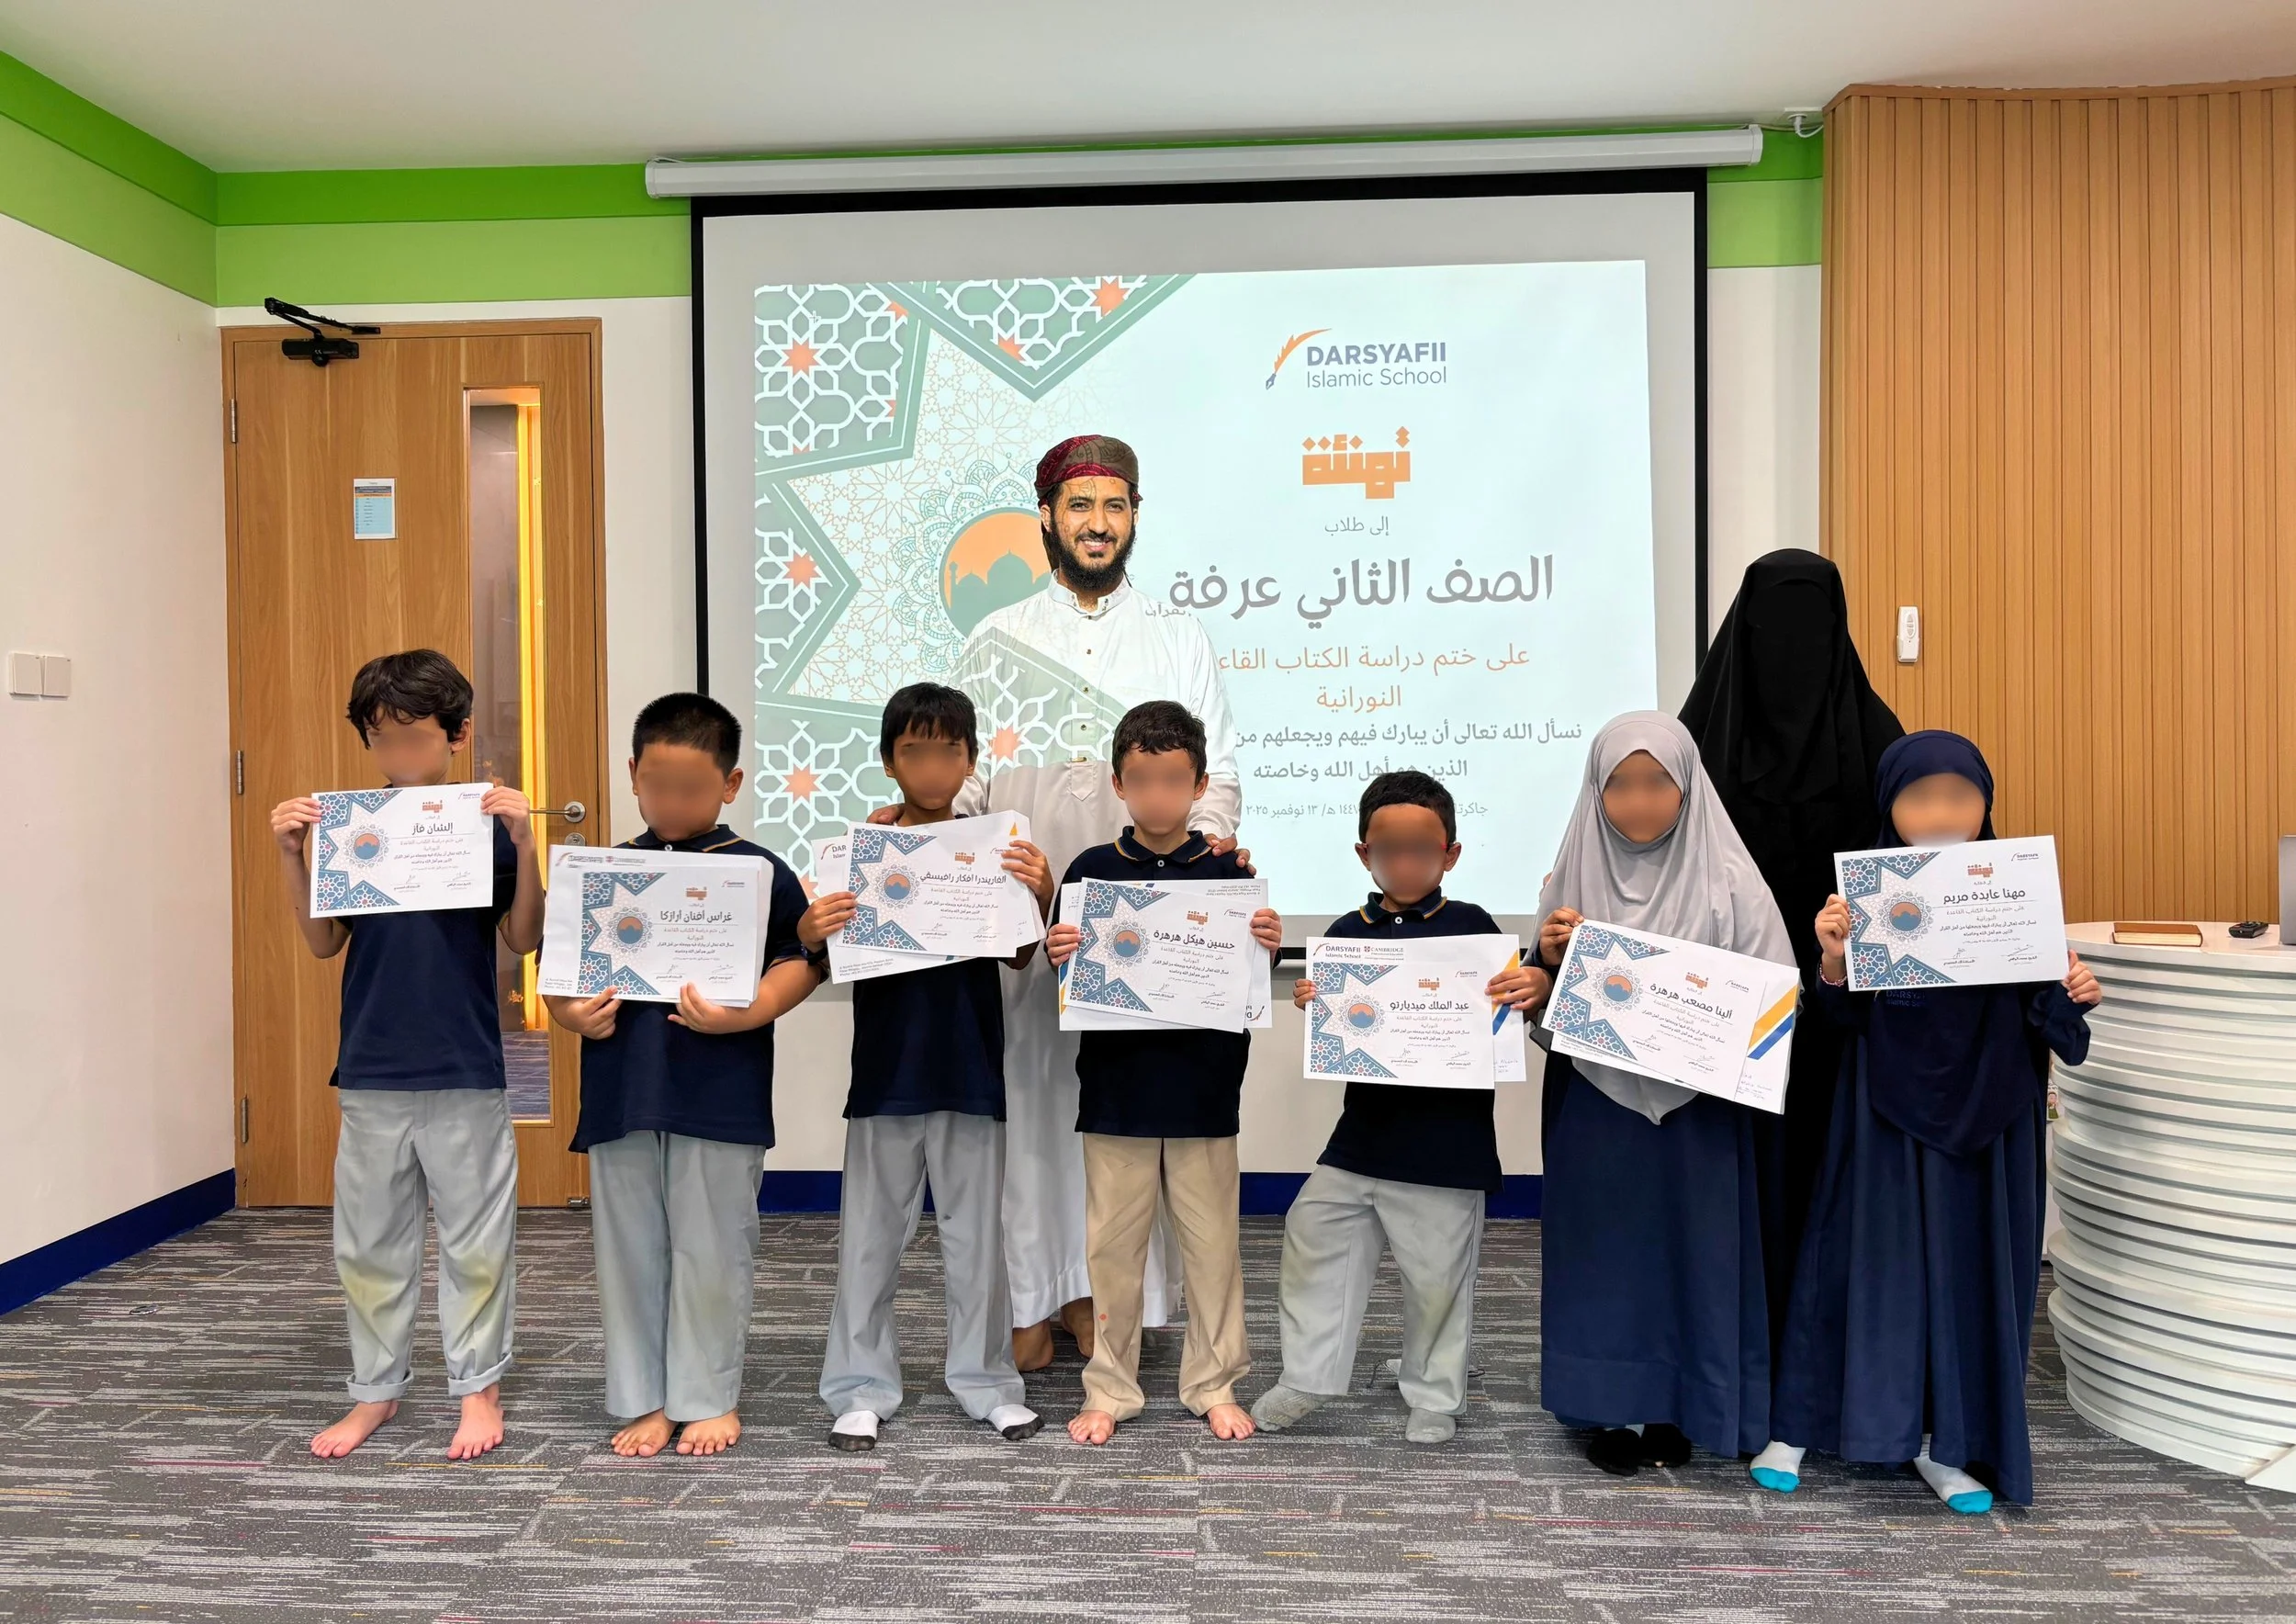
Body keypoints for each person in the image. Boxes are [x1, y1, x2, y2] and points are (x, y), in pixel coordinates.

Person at [946, 434, 1244, 1371]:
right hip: (1027, 921)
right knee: (1033, 1104)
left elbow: (1217, 774)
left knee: (1120, 1108)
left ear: (1135, 517)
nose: (1097, 524)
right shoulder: (993, 641)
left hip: (1143, 921)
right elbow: (968, 783)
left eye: (1115, 506)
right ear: (1047, 516)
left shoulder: (1175, 635)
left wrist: (1215, 848)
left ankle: (1104, 1306)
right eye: (1080, 507)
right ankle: (1034, 1297)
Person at [1751, 731, 2099, 1512]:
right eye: (1920, 797)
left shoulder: (2014, 892)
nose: (1941, 814)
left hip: (1992, 1116)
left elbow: (2053, 1025)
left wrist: (2071, 989)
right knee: (1860, 1262)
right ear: (1889, 805)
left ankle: (1947, 1444)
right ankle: (1802, 1422)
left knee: (1967, 1274)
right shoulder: (1865, 894)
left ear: (1986, 804)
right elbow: (1835, 1022)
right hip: (1884, 1110)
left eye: (1959, 796)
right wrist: (1834, 959)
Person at [267, 648, 541, 1462]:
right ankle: (374, 1393)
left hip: (462, 1062)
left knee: (476, 1239)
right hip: (373, 1064)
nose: (399, 757)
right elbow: (322, 945)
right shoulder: (357, 831)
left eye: (415, 738)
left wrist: (526, 845)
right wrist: (293, 856)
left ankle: (477, 1390)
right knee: (368, 1241)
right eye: (381, 740)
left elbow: (522, 937)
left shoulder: (486, 826)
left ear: (457, 735)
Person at [545, 693, 821, 1459]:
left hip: (718, 1090)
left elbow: (802, 960)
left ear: (730, 785)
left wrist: (751, 1011)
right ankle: (643, 1397)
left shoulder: (759, 870)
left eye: (693, 790)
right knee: (629, 1247)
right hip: (622, 1086)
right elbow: (560, 972)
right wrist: (571, 1015)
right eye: (657, 786)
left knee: (713, 1245)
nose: (673, 803)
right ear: (632, 774)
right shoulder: (607, 871)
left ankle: (707, 1395)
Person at [1533, 712, 1796, 1475]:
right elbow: (1538, 1005)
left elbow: (1778, 1001)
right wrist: (1548, 962)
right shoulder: (1571, 875)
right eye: (1619, 784)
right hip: (1598, 1105)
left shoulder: (1732, 878)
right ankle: (1606, 1410)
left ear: (1688, 789)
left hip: (1699, 1109)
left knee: (1697, 1253)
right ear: (1595, 790)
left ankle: (1684, 1403)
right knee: (1605, 1256)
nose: (1639, 802)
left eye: (1658, 784)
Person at [1252, 773, 1549, 1446]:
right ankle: (1308, 1375)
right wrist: (1316, 1005)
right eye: (1390, 849)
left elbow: (1505, 1013)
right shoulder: (1342, 934)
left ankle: (1435, 1392)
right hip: (1361, 1138)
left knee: (1438, 1279)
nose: (1406, 862)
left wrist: (1522, 988)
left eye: (1422, 848)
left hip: (1448, 1146)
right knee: (1313, 1236)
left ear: (1451, 854)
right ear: (1365, 854)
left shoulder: (1476, 930)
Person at [803, 683, 1052, 1452]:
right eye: (914, 749)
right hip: (885, 1073)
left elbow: (1016, 952)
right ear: (888, 761)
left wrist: (1039, 893)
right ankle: (859, 1386)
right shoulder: (860, 851)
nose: (933, 765)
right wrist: (815, 925)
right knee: (870, 1240)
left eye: (949, 750)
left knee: (978, 1241)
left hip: (971, 1068)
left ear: (971, 760)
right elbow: (825, 948)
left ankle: (986, 1384)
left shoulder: (994, 849)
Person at [1041, 701, 1279, 1446]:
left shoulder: (1229, 872)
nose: (1158, 796)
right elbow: (1067, 976)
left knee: (1213, 1248)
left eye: (1174, 780)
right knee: (1112, 1249)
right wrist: (1061, 951)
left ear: (1200, 783)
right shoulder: (1091, 874)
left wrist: (1264, 946)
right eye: (1142, 779)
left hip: (1206, 1090)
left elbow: (1245, 979)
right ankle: (1110, 1386)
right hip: (1116, 1094)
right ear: (1118, 782)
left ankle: (1215, 1382)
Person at [1679, 549, 1905, 1329]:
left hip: (1845, 1003)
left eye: (1812, 622)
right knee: (1730, 1173)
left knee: (1827, 1167)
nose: (1792, 644)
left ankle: (1823, 1341)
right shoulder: (1696, 740)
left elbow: (1919, 874)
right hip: (1718, 1004)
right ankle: (1728, 1341)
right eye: (1776, 621)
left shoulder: (1879, 741)